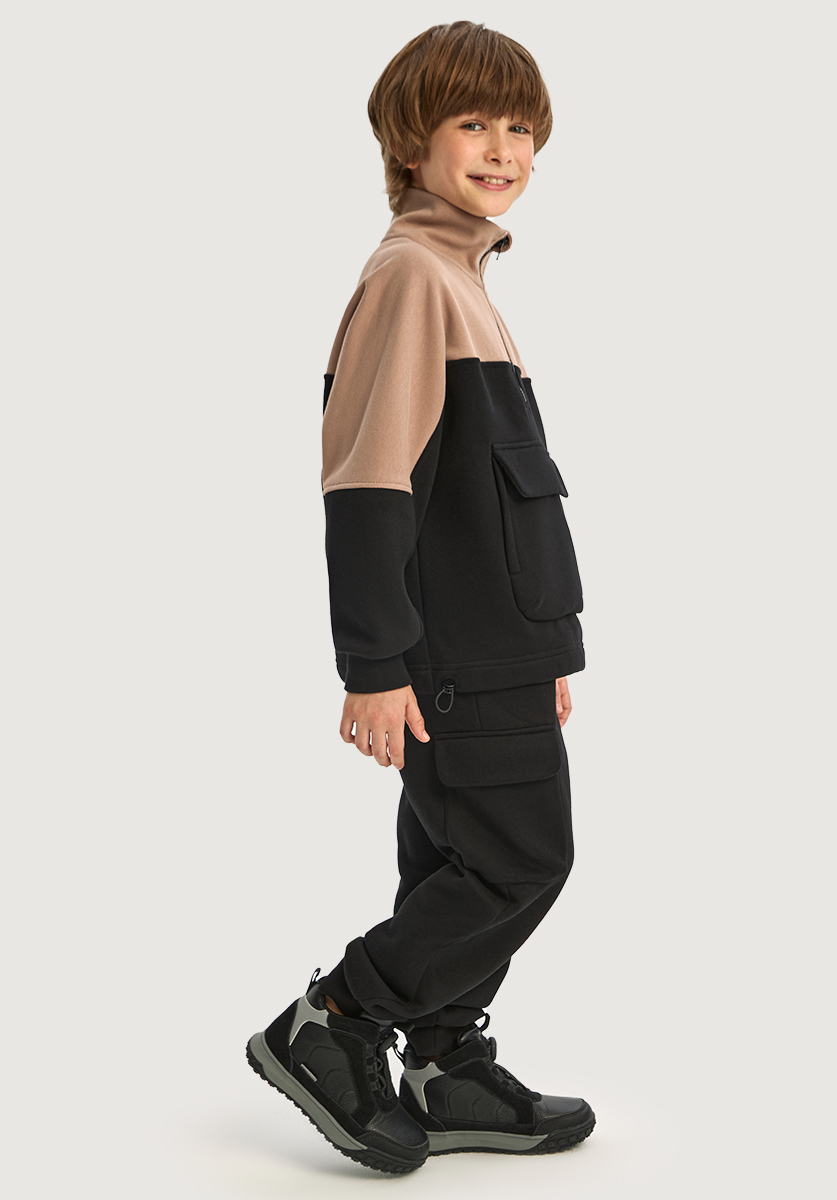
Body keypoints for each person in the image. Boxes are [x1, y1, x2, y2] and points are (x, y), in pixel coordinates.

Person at [247, 21, 592, 1175]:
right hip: (454, 652)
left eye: (520, 127)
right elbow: (369, 483)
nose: (503, 149)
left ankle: (444, 1067)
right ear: (411, 141)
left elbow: (496, 497)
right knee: (519, 862)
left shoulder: (460, 278)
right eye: (473, 123)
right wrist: (375, 664)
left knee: (455, 862)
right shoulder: (411, 279)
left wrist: (545, 646)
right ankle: (338, 1020)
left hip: (502, 646)